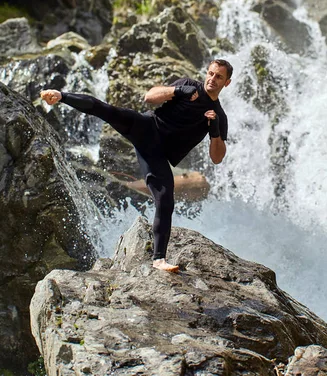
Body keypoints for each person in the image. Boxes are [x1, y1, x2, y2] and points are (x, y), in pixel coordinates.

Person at [40, 59, 232, 273]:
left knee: (165, 199)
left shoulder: (219, 115)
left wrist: (214, 131)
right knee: (107, 110)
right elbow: (149, 97)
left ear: (227, 82)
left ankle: (159, 260)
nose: (212, 79)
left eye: (219, 77)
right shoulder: (190, 85)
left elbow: (217, 157)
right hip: (145, 128)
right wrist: (178, 91)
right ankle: (60, 96)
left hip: (156, 154)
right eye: (211, 73)